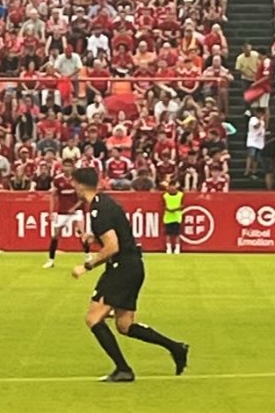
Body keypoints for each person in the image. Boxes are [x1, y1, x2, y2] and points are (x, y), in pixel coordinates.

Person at [70, 168, 190, 383]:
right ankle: (176, 347)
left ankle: (123, 369)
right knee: (125, 325)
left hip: (122, 268)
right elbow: (117, 237)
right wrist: (93, 237)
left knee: (93, 318)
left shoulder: (99, 209)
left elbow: (113, 247)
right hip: (132, 266)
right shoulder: (105, 202)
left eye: (73, 183)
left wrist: (86, 266)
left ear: (79, 184)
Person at [44, 162, 84, 269]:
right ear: (62, 167)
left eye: (69, 165)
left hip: (76, 211)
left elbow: (82, 197)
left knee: (82, 233)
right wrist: (52, 212)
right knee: (55, 235)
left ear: (72, 167)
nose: (67, 168)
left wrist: (74, 208)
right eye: (65, 166)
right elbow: (53, 196)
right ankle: (51, 260)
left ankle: (88, 256)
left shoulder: (77, 180)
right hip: (62, 212)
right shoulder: (57, 180)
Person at [160, 180, 185, 255]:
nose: (172, 188)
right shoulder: (165, 196)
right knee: (168, 234)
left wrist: (175, 209)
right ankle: (169, 248)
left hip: (177, 217)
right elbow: (163, 205)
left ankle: (177, 248)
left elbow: (182, 205)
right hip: (168, 217)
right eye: (170, 186)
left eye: (173, 186)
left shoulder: (180, 195)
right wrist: (168, 209)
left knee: (177, 234)